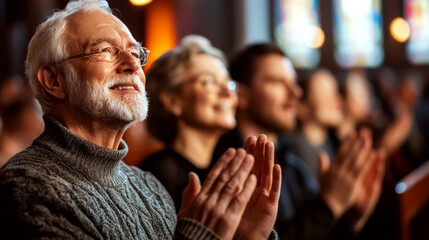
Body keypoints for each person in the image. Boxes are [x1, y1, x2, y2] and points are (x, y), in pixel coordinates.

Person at [0, 1, 281, 239]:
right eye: (105, 51)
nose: (133, 64)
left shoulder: (149, 186)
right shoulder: (27, 187)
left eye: (135, 53)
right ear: (53, 80)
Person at [213, 43, 386, 240]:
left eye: (293, 82)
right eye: (277, 82)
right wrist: (330, 205)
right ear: (242, 96)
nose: (295, 92)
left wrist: (352, 219)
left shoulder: (292, 161)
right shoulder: (225, 165)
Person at [140, 35, 240, 211]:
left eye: (229, 83)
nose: (227, 92)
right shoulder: (157, 176)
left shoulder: (228, 168)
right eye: (208, 81)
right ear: (173, 101)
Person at [284, 69, 343, 177]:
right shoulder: (294, 153)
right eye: (326, 95)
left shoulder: (333, 143)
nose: (338, 101)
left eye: (336, 92)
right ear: (302, 108)